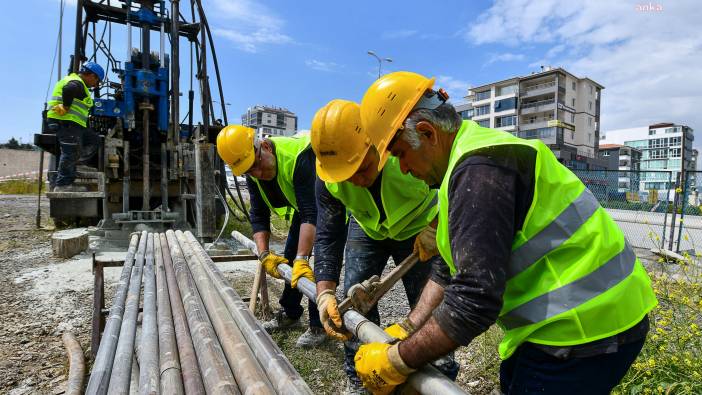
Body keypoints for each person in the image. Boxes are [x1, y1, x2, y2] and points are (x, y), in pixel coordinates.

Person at [352, 71, 658, 394]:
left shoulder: (478, 172)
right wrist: (409, 326)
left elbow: (473, 301)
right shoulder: (464, 162)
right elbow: (447, 268)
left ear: (427, 133)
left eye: (400, 153)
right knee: (512, 378)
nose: (401, 168)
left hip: (586, 328)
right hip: (593, 316)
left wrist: (397, 360)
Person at [310, 99, 459, 393]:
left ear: (376, 144)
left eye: (363, 168)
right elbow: (327, 233)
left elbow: (455, 181)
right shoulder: (327, 174)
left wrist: (438, 226)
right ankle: (361, 380)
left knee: (430, 306)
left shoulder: (407, 150)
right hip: (368, 229)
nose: (357, 181)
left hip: (422, 226)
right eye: (347, 176)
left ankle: (440, 377)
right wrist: (324, 291)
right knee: (352, 307)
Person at [216, 125, 325, 347]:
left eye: (256, 165)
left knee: (320, 262)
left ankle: (318, 325)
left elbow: (312, 213)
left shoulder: (300, 156)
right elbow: (258, 214)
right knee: (290, 255)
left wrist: (302, 259)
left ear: (264, 146)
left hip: (329, 208)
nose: (256, 174)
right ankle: (291, 312)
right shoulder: (252, 168)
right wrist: (264, 254)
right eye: (248, 171)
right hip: (305, 210)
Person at [46, 62, 104, 192]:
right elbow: (68, 89)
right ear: (92, 75)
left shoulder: (79, 83)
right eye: (97, 81)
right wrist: (66, 106)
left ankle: (78, 164)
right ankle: (62, 185)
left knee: (93, 140)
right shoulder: (76, 82)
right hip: (65, 121)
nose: (96, 85)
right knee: (70, 152)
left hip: (75, 124)